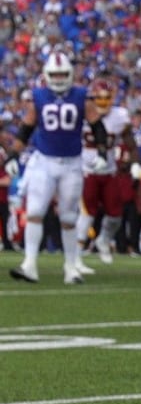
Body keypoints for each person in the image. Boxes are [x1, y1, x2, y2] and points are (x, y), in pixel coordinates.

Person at [9, 48, 108, 285]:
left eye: (63, 74)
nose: (59, 79)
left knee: (68, 217)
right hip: (44, 161)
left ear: (70, 74)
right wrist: (12, 156)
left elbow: (97, 127)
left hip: (72, 163)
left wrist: (103, 152)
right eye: (55, 75)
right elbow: (26, 128)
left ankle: (71, 268)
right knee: (34, 212)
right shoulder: (39, 96)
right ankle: (29, 265)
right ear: (47, 74)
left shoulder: (82, 96)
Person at [74, 77, 138, 270]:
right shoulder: (81, 113)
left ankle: (104, 240)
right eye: (98, 99)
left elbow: (130, 142)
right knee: (87, 214)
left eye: (106, 99)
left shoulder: (119, 116)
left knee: (116, 215)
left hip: (109, 171)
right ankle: (75, 258)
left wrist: (136, 163)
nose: (102, 103)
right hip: (86, 171)